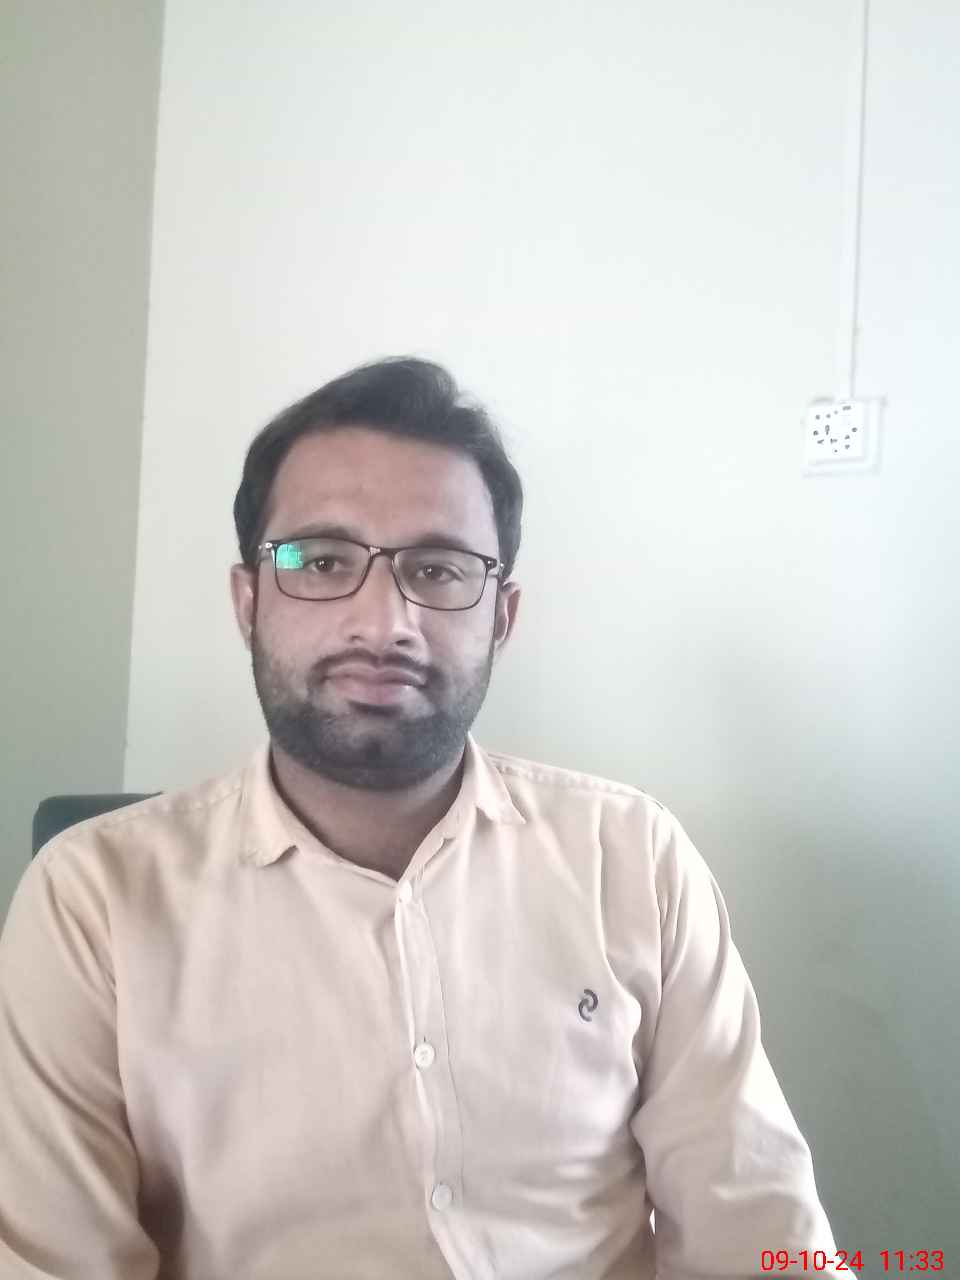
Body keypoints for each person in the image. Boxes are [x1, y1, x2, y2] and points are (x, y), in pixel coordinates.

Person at [0, 357, 843, 1279]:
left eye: (438, 570)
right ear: (248, 602)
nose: (385, 622)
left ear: (502, 617)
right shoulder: (93, 902)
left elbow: (762, 1239)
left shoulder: (632, 860)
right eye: (322, 561)